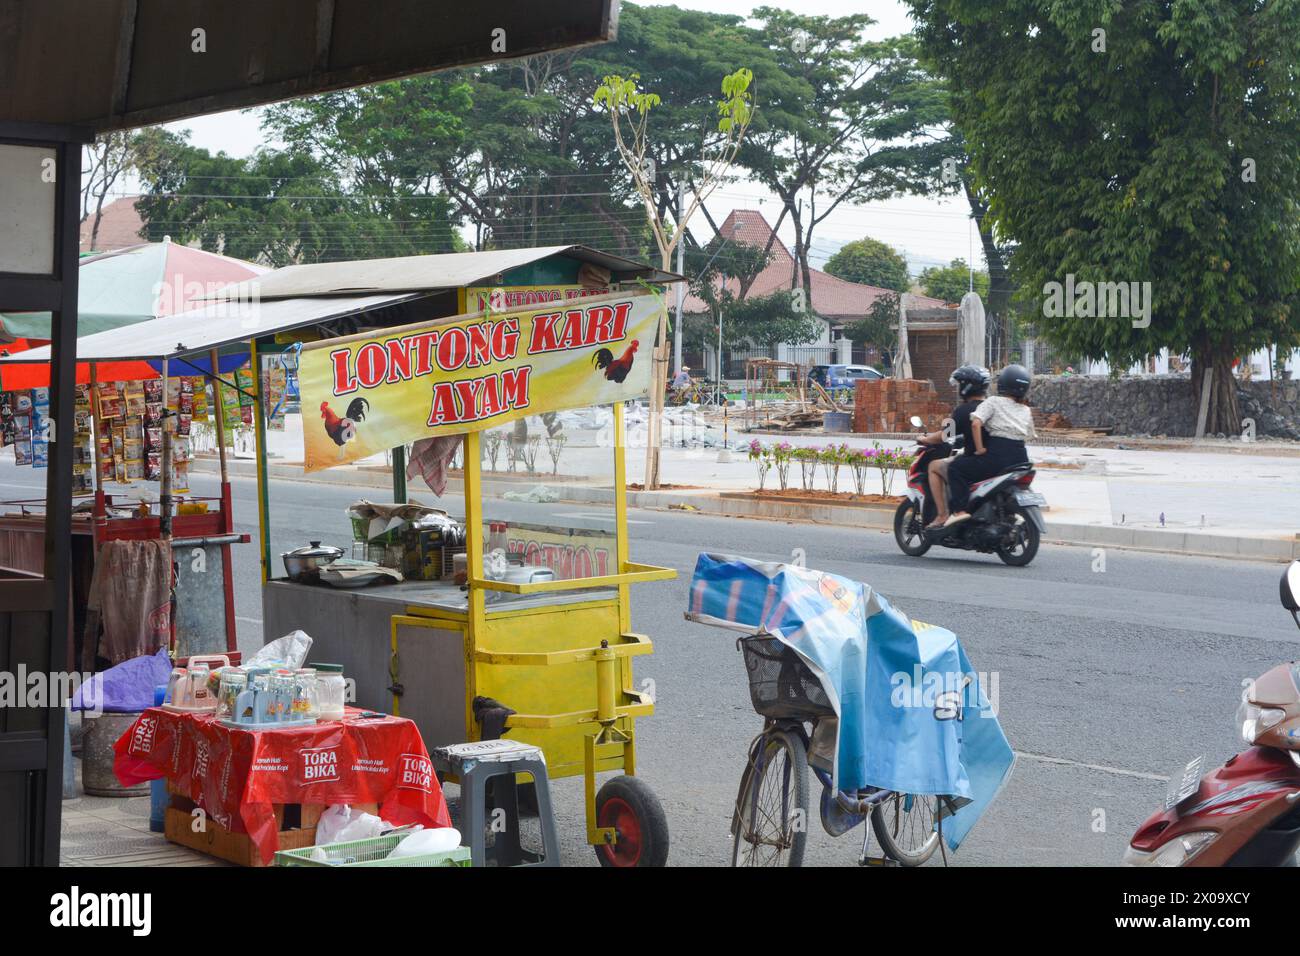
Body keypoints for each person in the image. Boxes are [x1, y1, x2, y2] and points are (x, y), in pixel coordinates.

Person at [944, 364, 1036, 526]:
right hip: (1021, 457)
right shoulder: (1025, 410)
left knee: (953, 468)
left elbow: (948, 433)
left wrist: (980, 449)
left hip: (995, 457)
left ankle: (955, 511)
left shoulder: (964, 409)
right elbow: (1029, 435)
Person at [917, 364, 990, 529]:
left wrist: (925, 439)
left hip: (974, 462)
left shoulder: (963, 410)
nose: (958, 389)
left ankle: (942, 515)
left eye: (960, 385)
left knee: (934, 466)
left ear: (966, 386)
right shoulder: (990, 407)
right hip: (992, 460)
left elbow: (944, 435)